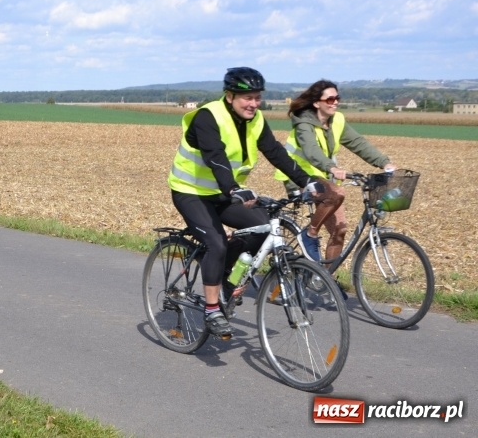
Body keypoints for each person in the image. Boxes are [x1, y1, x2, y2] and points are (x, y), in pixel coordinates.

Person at [168, 67, 329, 338]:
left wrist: (306, 181)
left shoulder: (255, 120)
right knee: (216, 243)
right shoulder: (208, 117)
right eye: (247, 98)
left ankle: (228, 277)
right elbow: (214, 156)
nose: (254, 103)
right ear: (230, 96)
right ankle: (210, 309)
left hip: (225, 194)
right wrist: (233, 188)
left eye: (257, 97)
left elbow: (275, 152)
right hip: (191, 192)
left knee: (263, 227)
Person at [276, 79, 395, 265]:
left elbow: (358, 143)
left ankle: (326, 279)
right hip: (299, 176)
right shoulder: (303, 123)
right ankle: (310, 234)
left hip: (324, 178)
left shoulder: (337, 120)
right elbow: (311, 151)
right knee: (337, 193)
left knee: (339, 230)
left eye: (337, 98)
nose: (336, 102)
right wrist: (332, 168)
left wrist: (384, 163)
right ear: (317, 102)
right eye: (330, 99)